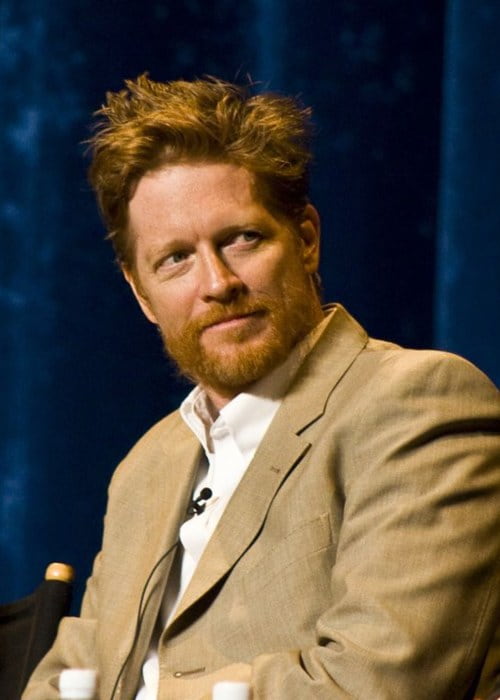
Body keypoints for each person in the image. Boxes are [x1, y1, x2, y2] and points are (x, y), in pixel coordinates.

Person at [24, 75, 499, 700]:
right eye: (176, 259)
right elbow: (63, 681)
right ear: (142, 294)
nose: (217, 283)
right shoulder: (146, 466)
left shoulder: (418, 402)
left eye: (240, 239)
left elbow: (376, 683)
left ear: (305, 239)